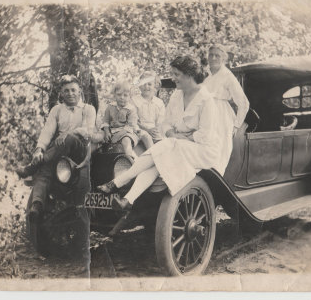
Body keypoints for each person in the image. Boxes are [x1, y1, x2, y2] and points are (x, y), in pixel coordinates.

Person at [97, 56, 219, 211]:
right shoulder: (176, 96)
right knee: (157, 163)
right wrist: (173, 134)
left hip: (202, 150)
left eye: (176, 74)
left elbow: (205, 135)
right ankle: (128, 200)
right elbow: (165, 123)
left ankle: (117, 182)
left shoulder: (206, 100)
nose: (173, 78)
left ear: (189, 75)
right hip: (177, 145)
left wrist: (178, 137)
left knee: (167, 144)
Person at [16, 75, 96, 220]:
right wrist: (39, 149)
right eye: (66, 91)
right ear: (61, 93)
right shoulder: (57, 110)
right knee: (45, 170)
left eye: (73, 90)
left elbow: (88, 132)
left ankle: (32, 167)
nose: (70, 93)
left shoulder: (88, 109)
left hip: (80, 150)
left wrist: (68, 133)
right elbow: (47, 131)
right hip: (60, 151)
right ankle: (37, 204)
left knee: (68, 139)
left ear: (80, 92)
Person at [203, 43, 250, 175]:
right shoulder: (204, 74)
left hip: (220, 117)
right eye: (211, 55)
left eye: (217, 55)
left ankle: (215, 185)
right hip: (203, 114)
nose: (213, 58)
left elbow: (244, 103)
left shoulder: (227, 76)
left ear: (223, 58)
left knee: (218, 152)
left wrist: (236, 126)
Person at [92, 81, 145, 158]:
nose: (122, 97)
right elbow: (106, 121)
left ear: (130, 97)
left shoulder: (131, 109)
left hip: (126, 132)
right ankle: (91, 159)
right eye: (119, 94)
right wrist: (106, 131)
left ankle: (129, 160)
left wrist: (118, 135)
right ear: (114, 95)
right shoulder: (110, 107)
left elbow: (130, 126)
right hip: (111, 130)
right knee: (98, 137)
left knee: (126, 141)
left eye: (125, 95)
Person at [131, 71, 166, 144]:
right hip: (139, 130)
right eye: (144, 84)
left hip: (155, 131)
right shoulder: (134, 101)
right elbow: (133, 121)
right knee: (147, 138)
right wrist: (147, 129)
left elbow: (161, 122)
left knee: (163, 143)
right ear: (140, 85)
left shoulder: (159, 103)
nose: (146, 86)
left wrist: (155, 131)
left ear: (155, 86)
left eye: (149, 84)